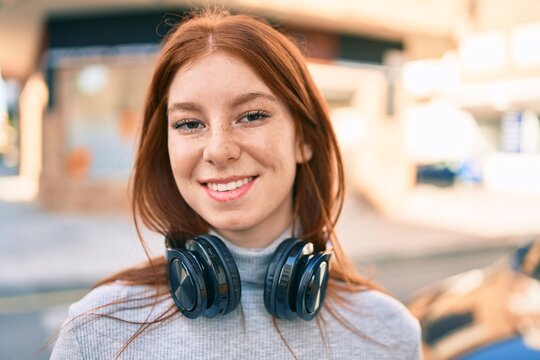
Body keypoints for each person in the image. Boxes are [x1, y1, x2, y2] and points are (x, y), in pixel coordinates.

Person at [51, 9, 421, 359]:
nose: (218, 150)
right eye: (189, 123)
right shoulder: (97, 331)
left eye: (251, 116)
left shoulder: (386, 333)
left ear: (304, 139)